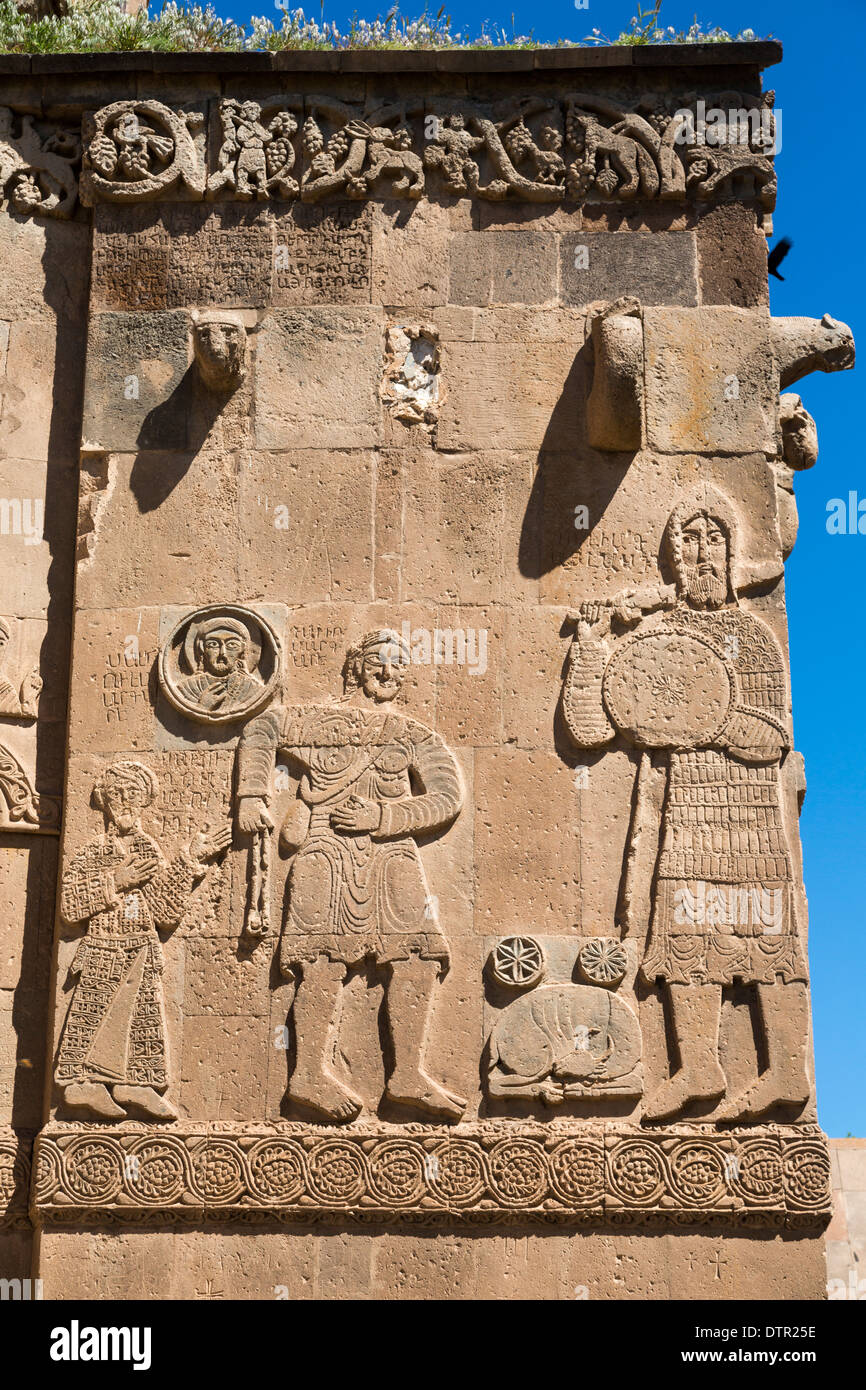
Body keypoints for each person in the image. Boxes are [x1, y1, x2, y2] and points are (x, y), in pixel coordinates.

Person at [235, 629, 466, 1123]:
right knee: (321, 962)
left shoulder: (412, 735)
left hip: (393, 854)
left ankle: (406, 1074)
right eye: (379, 661)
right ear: (356, 665)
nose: (388, 672)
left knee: (418, 956)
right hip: (326, 849)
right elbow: (261, 730)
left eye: (399, 666)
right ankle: (307, 1077)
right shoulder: (318, 720)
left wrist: (384, 817)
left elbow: (448, 797)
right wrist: (252, 795)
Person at [56, 759, 230, 1120]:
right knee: (93, 1012)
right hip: (103, 948)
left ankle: (134, 1085)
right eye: (118, 793)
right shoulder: (93, 851)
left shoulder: (148, 848)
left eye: (133, 793)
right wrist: (115, 880)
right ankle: (80, 1085)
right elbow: (70, 906)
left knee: (141, 1020)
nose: (125, 801)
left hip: (140, 947)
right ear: (106, 800)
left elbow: (165, 910)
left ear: (143, 801)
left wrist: (189, 859)